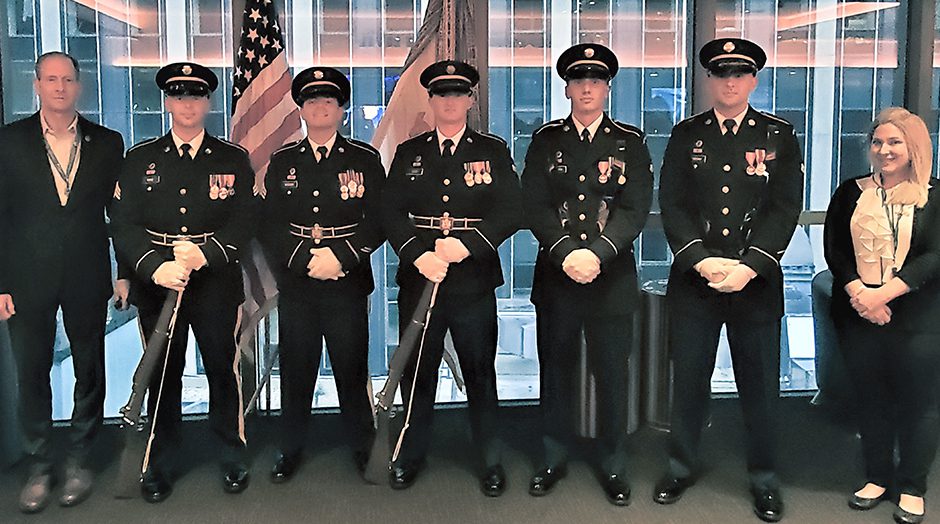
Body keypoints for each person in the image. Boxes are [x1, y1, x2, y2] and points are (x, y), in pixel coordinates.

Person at [654, 38, 803, 522]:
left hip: (754, 282)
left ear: (754, 81)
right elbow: (672, 205)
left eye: (740, 74)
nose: (731, 81)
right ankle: (680, 465)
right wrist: (699, 259)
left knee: (759, 386)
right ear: (709, 81)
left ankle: (764, 476)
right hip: (696, 281)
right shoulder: (686, 134)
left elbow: (784, 209)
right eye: (722, 74)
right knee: (690, 382)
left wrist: (749, 265)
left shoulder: (778, 135)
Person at [111, 62, 255, 503]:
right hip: (157, 284)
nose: (188, 104)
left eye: (196, 96)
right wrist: (153, 266)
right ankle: (162, 458)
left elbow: (245, 219)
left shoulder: (232, 158)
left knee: (221, 371)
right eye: (179, 96)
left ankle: (231, 451)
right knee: (163, 373)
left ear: (208, 103)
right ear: (168, 102)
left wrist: (207, 253)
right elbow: (123, 222)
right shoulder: (140, 158)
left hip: (214, 284)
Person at [381, 60, 522, 496]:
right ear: (430, 100)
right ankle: (411, 450)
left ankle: (489, 456)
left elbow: (512, 209)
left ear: (470, 100)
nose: (450, 101)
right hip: (421, 278)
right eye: (441, 94)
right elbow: (388, 212)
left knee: (480, 370)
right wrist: (418, 254)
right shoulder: (410, 153)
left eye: (458, 93)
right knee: (417, 372)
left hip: (472, 281)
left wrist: (470, 243)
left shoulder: (492, 150)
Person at [521, 43, 653, 506]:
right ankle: (552, 457)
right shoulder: (546, 140)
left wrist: (597, 253)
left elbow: (636, 208)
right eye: (579, 81)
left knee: (612, 372)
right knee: (555, 370)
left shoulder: (629, 142)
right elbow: (533, 203)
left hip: (611, 274)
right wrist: (564, 253)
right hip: (557, 275)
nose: (587, 88)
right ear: (567, 88)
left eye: (595, 81)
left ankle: (614, 462)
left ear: (607, 88)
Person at [0, 51, 126, 513]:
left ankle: (79, 459)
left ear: (79, 87)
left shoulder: (108, 142)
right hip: (25, 279)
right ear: (35, 86)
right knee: (31, 372)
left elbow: (121, 215)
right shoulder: (8, 142)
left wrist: (125, 272)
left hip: (87, 275)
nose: (58, 87)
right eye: (50, 79)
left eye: (67, 79)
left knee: (88, 371)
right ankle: (38, 465)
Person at [260, 66, 385, 482]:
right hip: (299, 284)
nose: (320, 108)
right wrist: (302, 258)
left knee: (352, 367)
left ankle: (363, 447)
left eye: (328, 101)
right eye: (311, 101)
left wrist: (344, 257)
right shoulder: (283, 162)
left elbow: (380, 219)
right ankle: (290, 448)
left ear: (341, 110)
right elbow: (270, 223)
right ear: (300, 110)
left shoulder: (364, 159)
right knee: (297, 368)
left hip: (346, 282)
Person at [823, 107, 940, 524]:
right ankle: (877, 477)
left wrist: (885, 294)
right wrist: (860, 294)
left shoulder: (934, 195)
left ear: (914, 147)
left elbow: (934, 256)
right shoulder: (850, 192)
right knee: (870, 400)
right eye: (877, 142)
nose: (884, 150)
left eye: (894, 142)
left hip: (918, 317)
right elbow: (835, 248)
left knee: (919, 404)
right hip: (858, 314)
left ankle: (912, 485)